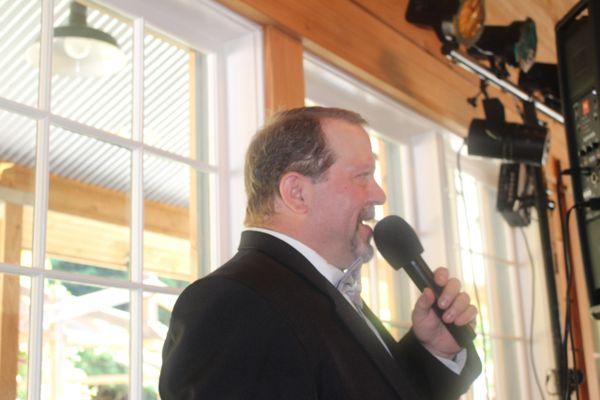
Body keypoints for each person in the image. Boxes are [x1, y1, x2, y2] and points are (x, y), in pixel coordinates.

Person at [159, 107, 482, 399]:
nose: (379, 194)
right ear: (297, 193)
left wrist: (434, 349)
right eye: (362, 176)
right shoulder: (235, 302)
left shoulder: (320, 290)